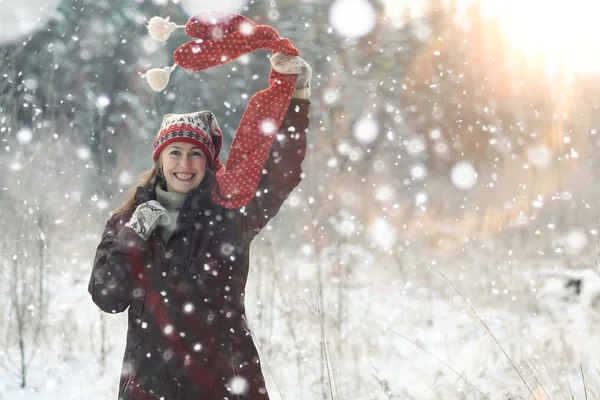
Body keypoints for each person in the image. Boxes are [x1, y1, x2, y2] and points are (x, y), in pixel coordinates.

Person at [88, 12, 312, 399]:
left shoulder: (231, 211)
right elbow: (109, 297)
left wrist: (295, 100)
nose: (184, 164)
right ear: (159, 159)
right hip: (150, 385)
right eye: (175, 152)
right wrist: (134, 237)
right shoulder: (128, 220)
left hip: (226, 383)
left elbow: (281, 174)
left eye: (196, 154)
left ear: (209, 162)